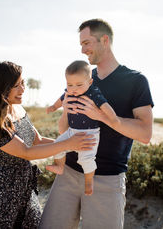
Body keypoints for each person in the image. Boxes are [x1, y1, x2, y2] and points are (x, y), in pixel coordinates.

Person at [40, 19, 154, 229]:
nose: (83, 50)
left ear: (105, 40)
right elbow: (65, 128)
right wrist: (65, 111)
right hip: (68, 174)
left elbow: (145, 134)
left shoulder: (135, 81)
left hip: (107, 180)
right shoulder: (82, 80)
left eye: (87, 43)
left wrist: (102, 116)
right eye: (81, 45)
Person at [0, 61, 95, 229]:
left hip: (25, 184)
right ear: (2, 88)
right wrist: (67, 143)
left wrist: (73, 146)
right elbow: (26, 152)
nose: (23, 89)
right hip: (2, 188)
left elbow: (37, 140)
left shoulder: (19, 109)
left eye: (23, 83)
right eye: (17, 85)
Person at [45, 60, 117, 196]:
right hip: (72, 131)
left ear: (89, 82)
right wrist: (54, 107)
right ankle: (60, 166)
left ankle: (89, 182)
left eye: (78, 85)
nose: (73, 89)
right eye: (69, 84)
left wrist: (112, 117)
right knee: (57, 145)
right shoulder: (69, 93)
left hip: (89, 133)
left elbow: (104, 105)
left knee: (86, 159)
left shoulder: (93, 92)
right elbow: (61, 99)